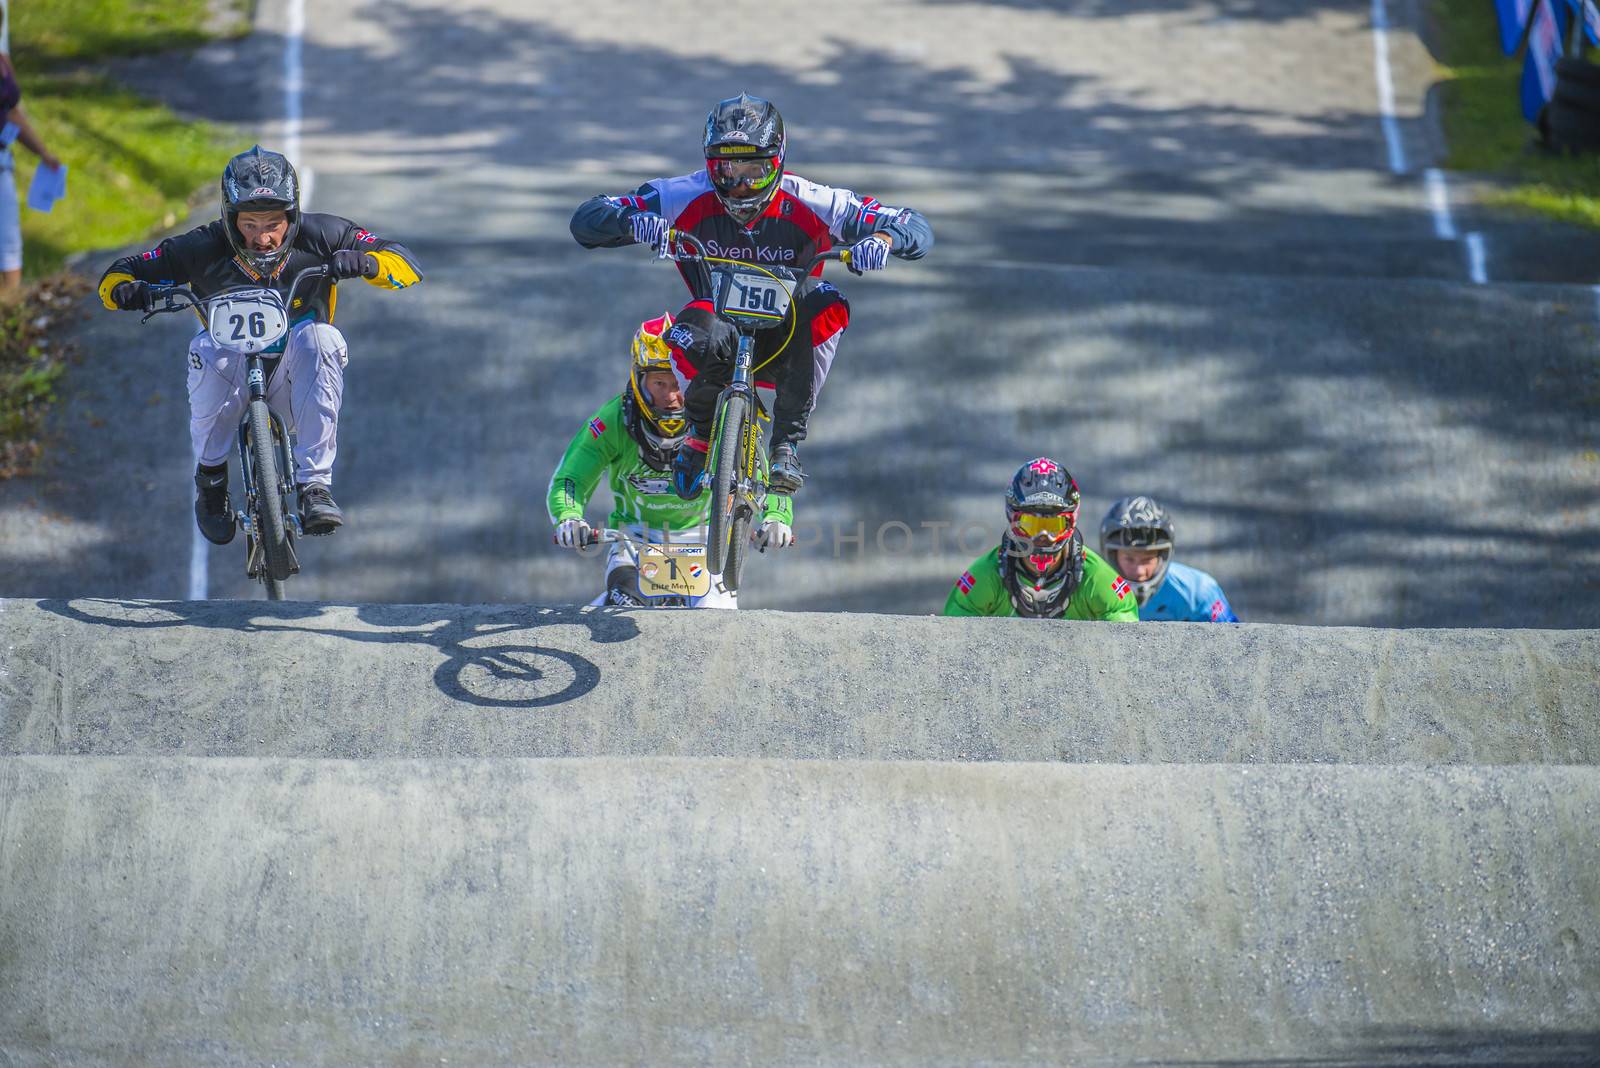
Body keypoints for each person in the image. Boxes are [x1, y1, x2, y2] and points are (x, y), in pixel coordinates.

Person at [569, 92, 933, 500]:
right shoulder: (681, 193)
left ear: (778, 161)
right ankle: (702, 432)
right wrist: (633, 220)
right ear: (710, 165)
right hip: (714, 321)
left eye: (754, 170)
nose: (740, 187)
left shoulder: (814, 199)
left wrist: (882, 239)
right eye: (727, 170)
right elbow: (585, 219)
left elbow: (912, 223)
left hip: (787, 334)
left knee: (825, 300)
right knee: (692, 328)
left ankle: (787, 444)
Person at [98, 145, 422, 542]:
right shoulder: (200, 247)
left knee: (323, 338)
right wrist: (127, 292)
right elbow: (118, 274)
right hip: (229, 371)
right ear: (229, 220)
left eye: (273, 223)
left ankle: (314, 487)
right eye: (249, 224)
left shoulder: (323, 234)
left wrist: (370, 264)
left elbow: (404, 262)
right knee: (204, 348)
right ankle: (212, 481)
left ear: (293, 215)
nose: (263, 238)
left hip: (297, 374)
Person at [547, 312, 795, 608]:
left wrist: (777, 519)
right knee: (621, 606)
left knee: (715, 622)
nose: (672, 397)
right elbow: (570, 477)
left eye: (679, 382)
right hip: (634, 540)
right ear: (638, 381)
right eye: (659, 383)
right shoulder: (612, 420)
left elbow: (764, 480)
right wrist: (569, 517)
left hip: (707, 541)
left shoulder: (728, 418)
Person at [943, 458, 1138, 621]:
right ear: (1012, 518)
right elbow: (953, 637)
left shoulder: (1096, 579)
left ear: (1071, 521)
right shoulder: (986, 575)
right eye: (1031, 524)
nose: (1043, 537)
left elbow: (1127, 641)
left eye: (1054, 526)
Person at [1099, 495, 1239, 622]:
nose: (1139, 571)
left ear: (1162, 556)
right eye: (1129, 559)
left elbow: (1233, 641)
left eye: (1147, 559)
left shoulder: (1199, 592)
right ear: (1111, 556)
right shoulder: (1090, 589)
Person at [0, 40, 64, 290]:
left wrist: (43, 152)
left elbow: (12, 113)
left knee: (9, 247)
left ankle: (8, 311)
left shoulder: (3, 60)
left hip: (2, 163)